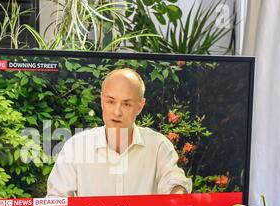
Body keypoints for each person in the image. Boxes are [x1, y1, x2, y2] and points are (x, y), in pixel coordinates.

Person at [46, 68, 192, 197]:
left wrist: (178, 193)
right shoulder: (76, 146)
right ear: (102, 101)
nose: (117, 112)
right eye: (110, 102)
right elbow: (56, 198)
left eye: (127, 104)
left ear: (140, 107)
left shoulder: (158, 146)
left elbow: (174, 182)